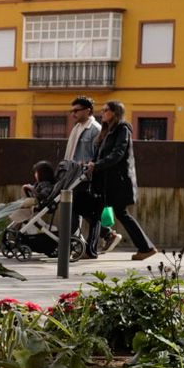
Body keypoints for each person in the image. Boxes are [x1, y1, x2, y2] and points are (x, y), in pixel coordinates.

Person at [85, 100, 157, 262]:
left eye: (106, 110)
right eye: (102, 110)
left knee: (114, 213)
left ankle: (146, 248)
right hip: (107, 181)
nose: (102, 112)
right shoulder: (107, 131)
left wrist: (97, 165)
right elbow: (101, 154)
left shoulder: (122, 129)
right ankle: (145, 247)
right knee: (103, 212)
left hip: (117, 182)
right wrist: (91, 163)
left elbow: (118, 154)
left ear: (115, 112)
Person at [63, 96, 115, 258]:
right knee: (76, 208)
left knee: (75, 208)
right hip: (73, 175)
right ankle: (105, 235)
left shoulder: (95, 129)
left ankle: (71, 243)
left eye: (76, 110)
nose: (73, 114)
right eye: (72, 111)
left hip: (86, 177)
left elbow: (99, 155)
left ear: (88, 110)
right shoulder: (77, 128)